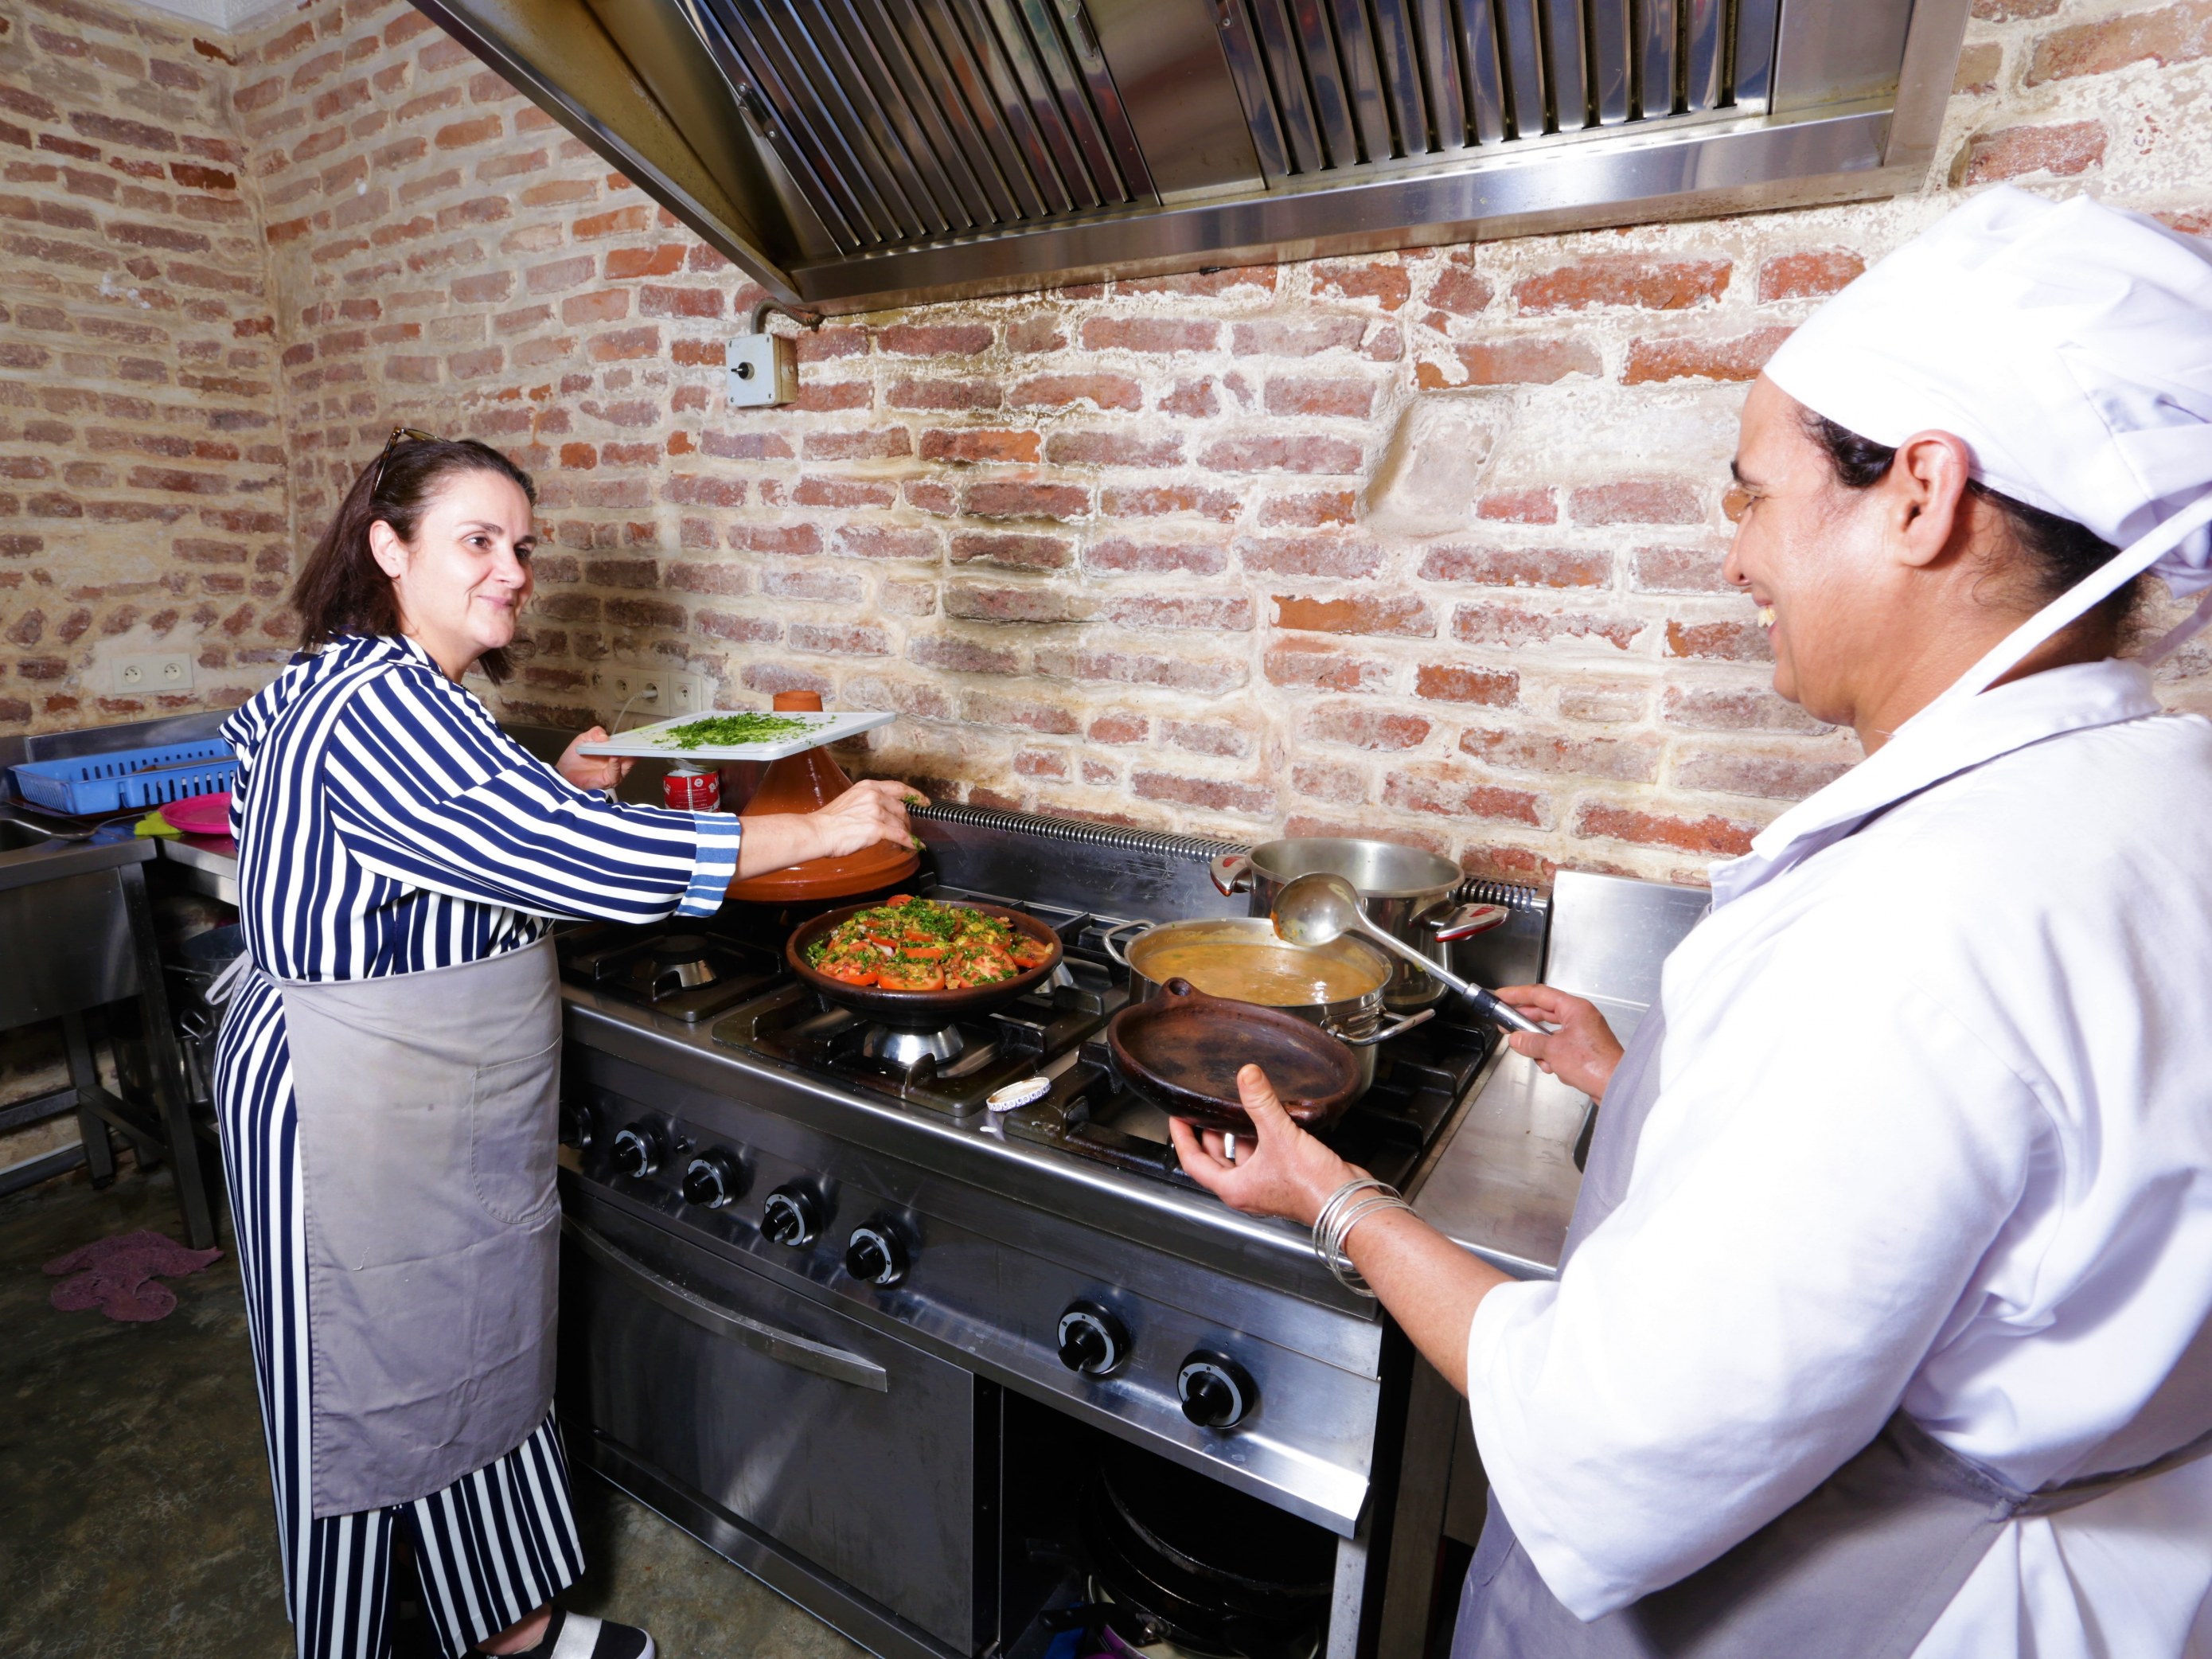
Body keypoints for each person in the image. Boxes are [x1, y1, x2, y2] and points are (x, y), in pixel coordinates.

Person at [1171, 186, 2212, 1657]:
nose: (1736, 560)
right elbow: (2002, 1189)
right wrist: (1635, 1074)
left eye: (1753, 496)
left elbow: (1602, 1438)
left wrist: (1336, 1201)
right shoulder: (2150, 793)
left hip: (1860, 1602)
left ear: (1922, 494)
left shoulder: (1923, 925)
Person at [212, 430, 919, 1659]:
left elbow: (451, 834)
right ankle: (382, 1637)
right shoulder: (376, 703)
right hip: (353, 1109)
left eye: (523, 545)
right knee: (372, 1387)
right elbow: (560, 857)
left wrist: (557, 778)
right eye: (477, 541)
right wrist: (815, 830)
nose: (513, 571)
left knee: (469, 1354)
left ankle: (507, 1631)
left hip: (412, 1094)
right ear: (389, 548)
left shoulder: (391, 685)